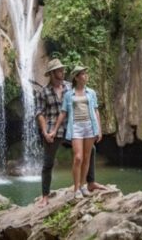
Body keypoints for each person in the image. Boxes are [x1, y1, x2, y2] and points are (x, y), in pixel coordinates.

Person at [35, 59, 105, 206]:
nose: (63, 72)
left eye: (63, 69)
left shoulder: (70, 87)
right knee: (48, 163)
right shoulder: (44, 92)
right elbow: (39, 113)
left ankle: (89, 183)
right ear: (52, 73)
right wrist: (45, 131)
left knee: (90, 150)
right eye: (59, 70)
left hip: (73, 127)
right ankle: (45, 196)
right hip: (53, 130)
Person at [52, 65, 102, 199]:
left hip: (90, 127)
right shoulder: (69, 95)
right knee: (78, 157)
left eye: (86, 74)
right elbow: (63, 113)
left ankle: (83, 185)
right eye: (83, 74)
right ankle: (76, 188)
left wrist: (99, 129)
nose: (86, 76)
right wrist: (54, 130)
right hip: (76, 128)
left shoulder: (91, 93)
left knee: (86, 157)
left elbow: (96, 110)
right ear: (77, 77)